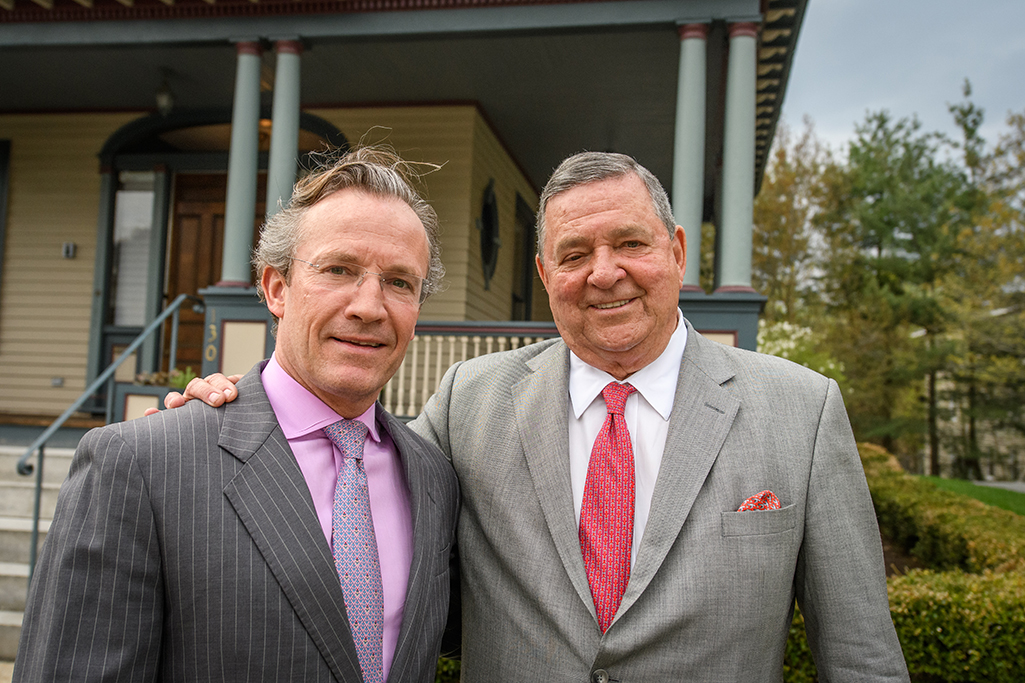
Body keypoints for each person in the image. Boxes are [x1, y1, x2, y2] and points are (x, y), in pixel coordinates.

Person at [167, 152, 910, 681]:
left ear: (676, 251)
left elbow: (862, 657)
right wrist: (237, 419)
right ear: (545, 275)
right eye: (574, 252)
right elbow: (343, 489)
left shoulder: (801, 409)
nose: (604, 271)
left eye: (629, 243)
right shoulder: (469, 400)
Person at [14, 147, 460, 683]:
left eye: (399, 282)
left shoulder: (433, 477)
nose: (369, 306)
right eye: (338, 269)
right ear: (276, 288)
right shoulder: (142, 463)